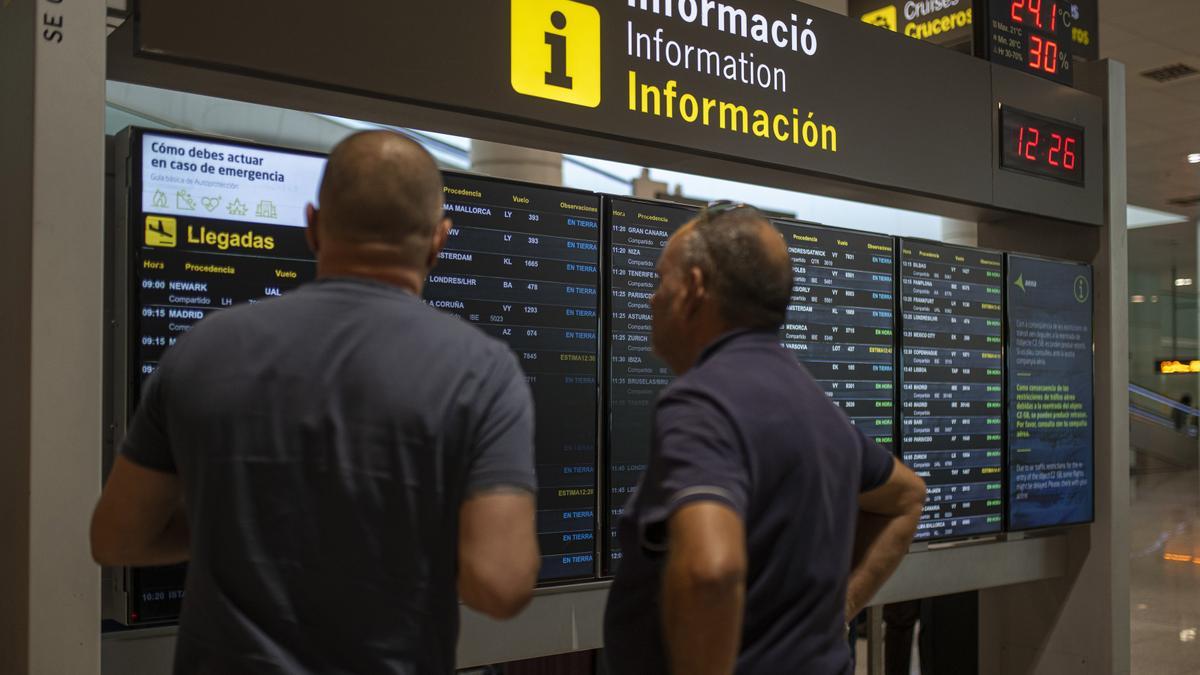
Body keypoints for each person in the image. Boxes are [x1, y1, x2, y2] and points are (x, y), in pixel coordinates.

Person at [90, 131, 541, 674]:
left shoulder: (198, 350)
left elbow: (116, 537)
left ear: (313, 225)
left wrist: (240, 513)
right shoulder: (482, 371)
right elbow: (500, 583)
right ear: (438, 240)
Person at [604, 203, 927, 675]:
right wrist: (842, 608)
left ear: (694, 288)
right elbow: (907, 497)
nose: (652, 299)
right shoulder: (818, 407)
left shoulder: (704, 402)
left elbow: (711, 572)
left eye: (660, 280)